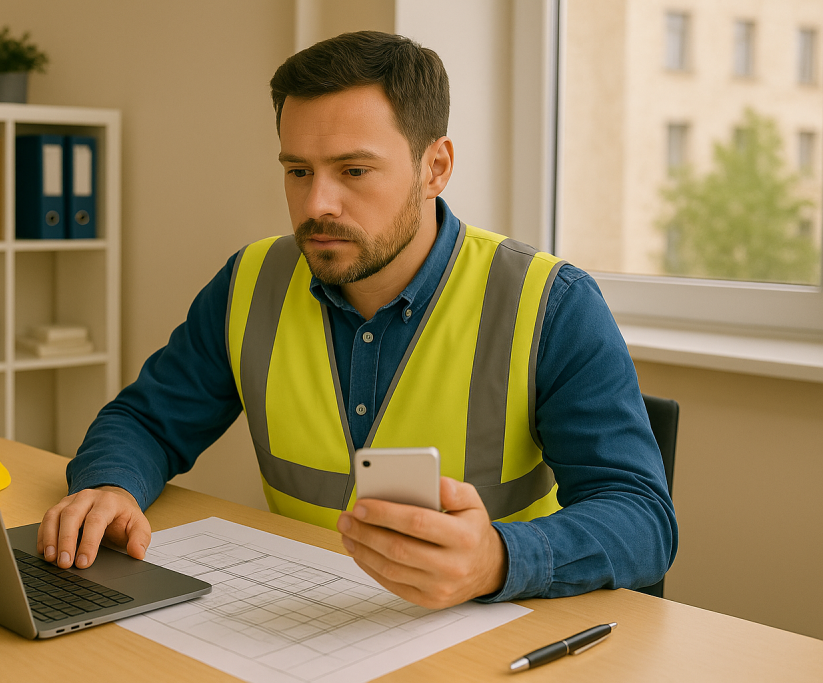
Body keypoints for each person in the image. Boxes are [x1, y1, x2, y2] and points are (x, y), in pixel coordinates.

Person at [37, 31, 677, 608]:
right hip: (295, 625)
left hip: (487, 636)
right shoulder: (251, 281)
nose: (317, 203)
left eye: (354, 170)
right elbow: (146, 421)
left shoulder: (550, 302)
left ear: (435, 167)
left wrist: (497, 560)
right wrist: (112, 486)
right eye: (298, 171)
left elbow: (642, 520)